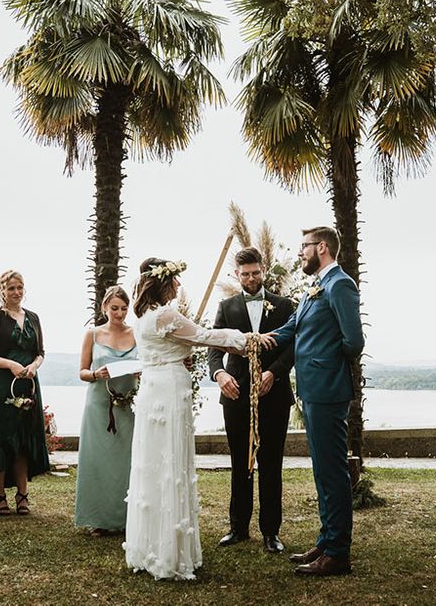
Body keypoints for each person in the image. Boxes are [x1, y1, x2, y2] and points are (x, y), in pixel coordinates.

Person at [124, 257, 273, 581]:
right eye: (175, 281)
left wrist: (180, 353)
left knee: (154, 466)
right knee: (169, 464)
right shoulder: (166, 314)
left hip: (153, 388)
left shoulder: (144, 317)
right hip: (168, 390)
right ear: (164, 283)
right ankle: (169, 555)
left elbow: (174, 346)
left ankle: (148, 548)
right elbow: (206, 336)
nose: (179, 286)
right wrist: (247, 340)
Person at [270, 227, 364, 577]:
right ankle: (326, 540)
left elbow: (354, 341)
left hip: (327, 389)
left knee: (333, 471)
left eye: (304, 247)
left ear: (321, 248)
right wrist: (256, 340)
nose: (300, 253)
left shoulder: (340, 284)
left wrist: (324, 361)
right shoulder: (315, 287)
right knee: (322, 471)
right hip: (311, 390)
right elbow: (290, 329)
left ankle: (338, 553)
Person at [208, 247, 296, 553]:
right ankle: (238, 528)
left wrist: (273, 373)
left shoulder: (285, 305)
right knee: (239, 463)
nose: (251, 278)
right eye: (245, 274)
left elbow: (292, 347)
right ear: (237, 274)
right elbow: (214, 347)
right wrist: (219, 375)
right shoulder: (226, 306)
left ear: (264, 270)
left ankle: (271, 532)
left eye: (255, 273)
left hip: (274, 395)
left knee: (271, 463)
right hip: (235, 394)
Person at [0, 270, 50, 516]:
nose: (16, 292)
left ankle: (23, 495)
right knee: (0, 439)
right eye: (11, 288)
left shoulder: (34, 318)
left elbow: (40, 352)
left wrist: (34, 366)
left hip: (28, 384)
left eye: (20, 287)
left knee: (24, 439)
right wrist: (10, 365)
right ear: (2, 291)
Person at [75, 286, 138, 534]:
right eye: (114, 308)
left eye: (124, 309)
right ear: (104, 308)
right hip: (99, 404)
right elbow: (81, 372)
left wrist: (140, 371)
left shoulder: (137, 334)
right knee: (98, 460)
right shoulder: (92, 335)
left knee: (127, 461)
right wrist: (95, 374)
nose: (119, 314)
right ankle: (99, 519)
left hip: (128, 404)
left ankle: (127, 518)